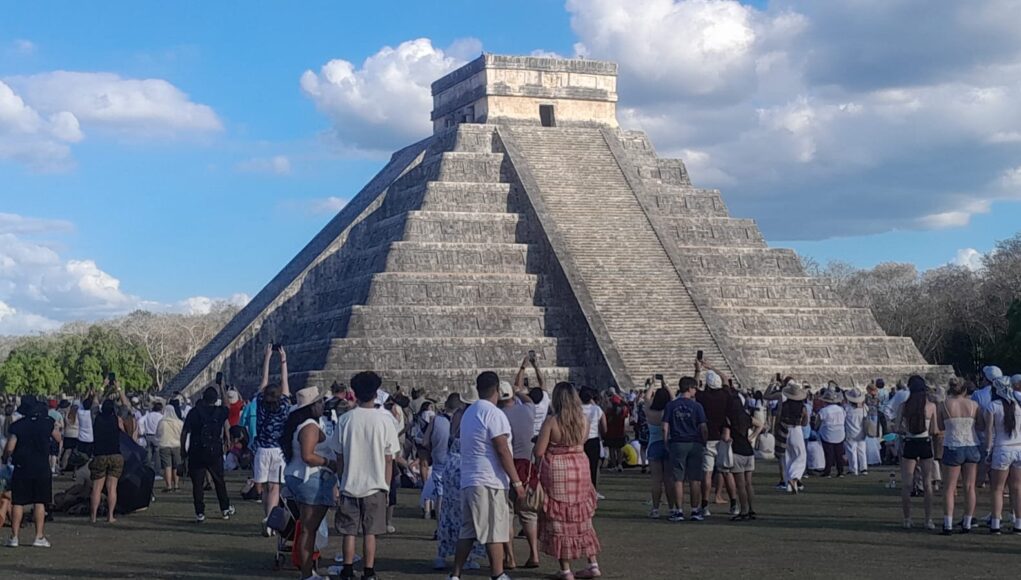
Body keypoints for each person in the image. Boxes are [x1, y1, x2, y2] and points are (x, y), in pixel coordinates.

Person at [448, 372, 523, 580]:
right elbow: (502, 449)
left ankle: (455, 574)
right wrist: (516, 481)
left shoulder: (470, 412)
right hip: (489, 479)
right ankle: (498, 574)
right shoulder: (494, 414)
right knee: (494, 530)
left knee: (468, 531)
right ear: (497, 390)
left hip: (470, 479)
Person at [333, 372, 400, 580]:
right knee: (370, 531)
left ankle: (347, 568)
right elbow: (390, 458)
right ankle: (369, 571)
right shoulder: (385, 420)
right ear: (375, 392)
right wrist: (387, 486)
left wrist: (341, 479)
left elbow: (339, 456)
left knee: (349, 531)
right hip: (376, 483)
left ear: (355, 392)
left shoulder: (345, 420)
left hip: (350, 483)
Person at [534, 383, 601, 579]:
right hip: (580, 467)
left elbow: (539, 451)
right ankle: (592, 562)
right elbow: (583, 442)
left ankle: (565, 569)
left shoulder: (552, 422)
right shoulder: (584, 420)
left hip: (557, 470)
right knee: (582, 517)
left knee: (559, 519)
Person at [282, 386, 335, 580]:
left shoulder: (300, 425)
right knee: (308, 529)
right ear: (312, 406)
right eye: (320, 402)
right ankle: (307, 573)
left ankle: (308, 571)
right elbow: (308, 456)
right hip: (310, 477)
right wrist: (330, 463)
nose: (322, 405)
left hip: (298, 476)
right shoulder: (310, 426)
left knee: (306, 527)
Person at [435, 390, 485, 572]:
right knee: (468, 513)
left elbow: (451, 436)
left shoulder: (457, 415)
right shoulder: (477, 416)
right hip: (467, 464)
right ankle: (469, 556)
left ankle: (441, 555)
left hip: (452, 462)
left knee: (448, 512)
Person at [2, 398, 60, 547]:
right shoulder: (47, 423)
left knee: (18, 502)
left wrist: (5, 459)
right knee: (40, 501)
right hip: (41, 467)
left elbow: (9, 448)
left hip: (22, 467)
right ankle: (39, 536)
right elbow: (58, 437)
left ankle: (14, 537)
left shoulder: (17, 426)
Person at [181, 386, 234, 523]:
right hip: (214, 451)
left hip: (196, 450)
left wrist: (183, 449)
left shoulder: (194, 412)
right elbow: (227, 405)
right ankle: (225, 508)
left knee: (197, 484)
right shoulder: (220, 412)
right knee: (219, 481)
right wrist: (222, 386)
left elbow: (185, 431)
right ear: (216, 399)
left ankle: (200, 512)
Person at [502, 377, 540, 568]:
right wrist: (517, 391)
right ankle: (534, 554)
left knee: (507, 514)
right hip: (528, 466)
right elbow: (530, 400)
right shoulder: (527, 410)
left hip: (507, 467)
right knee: (529, 514)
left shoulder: (499, 415)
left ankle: (510, 558)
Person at [252, 345, 291, 533]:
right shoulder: (284, 404)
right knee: (275, 488)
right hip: (277, 450)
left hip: (261, 449)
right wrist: (283, 360)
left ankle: (267, 517)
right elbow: (285, 382)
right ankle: (270, 522)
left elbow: (264, 380)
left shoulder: (260, 402)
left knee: (265, 488)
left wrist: (267, 357)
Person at [663, 376, 708, 521]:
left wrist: (666, 442)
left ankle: (679, 510)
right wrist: (704, 441)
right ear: (689, 388)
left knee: (678, 479)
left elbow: (665, 427)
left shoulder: (671, 405)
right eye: (694, 388)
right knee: (695, 479)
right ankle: (695, 510)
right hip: (694, 442)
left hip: (677, 442)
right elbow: (703, 427)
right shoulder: (697, 406)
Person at [695, 365, 738, 516]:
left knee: (706, 474)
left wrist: (698, 370)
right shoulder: (726, 395)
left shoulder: (703, 397)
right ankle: (733, 504)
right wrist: (710, 366)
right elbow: (726, 379)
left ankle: (705, 506)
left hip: (708, 438)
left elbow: (694, 386)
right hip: (723, 437)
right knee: (727, 472)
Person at [897, 375, 939, 530]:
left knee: (907, 483)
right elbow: (934, 430)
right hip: (925, 443)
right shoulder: (931, 406)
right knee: (927, 483)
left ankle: (907, 519)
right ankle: (928, 520)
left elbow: (897, 427)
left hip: (910, 442)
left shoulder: (904, 406)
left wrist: (907, 429)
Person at [940, 378, 980, 534]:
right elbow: (980, 425)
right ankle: (968, 522)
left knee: (949, 487)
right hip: (971, 444)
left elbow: (940, 426)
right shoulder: (973, 405)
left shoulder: (944, 404)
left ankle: (948, 523)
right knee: (970, 487)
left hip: (953, 444)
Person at [983, 376, 1021, 535]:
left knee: (997, 489)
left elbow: (990, 432)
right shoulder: (1018, 407)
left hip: (1001, 449)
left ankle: (995, 523)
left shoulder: (993, 406)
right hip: (1018, 448)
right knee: (1017, 488)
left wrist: (987, 451)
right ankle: (1019, 524)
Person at [88, 398, 123, 524]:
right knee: (112, 488)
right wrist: (119, 389)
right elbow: (126, 406)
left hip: (100, 454)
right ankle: (110, 515)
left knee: (96, 488)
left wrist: (102, 387)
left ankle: (93, 516)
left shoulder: (96, 419)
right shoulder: (117, 419)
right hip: (115, 454)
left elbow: (94, 405)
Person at [643, 384, 675, 519]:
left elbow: (646, 398)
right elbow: (674, 399)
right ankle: (672, 508)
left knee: (656, 480)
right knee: (669, 479)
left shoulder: (650, 411)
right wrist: (666, 386)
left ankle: (655, 509)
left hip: (654, 444)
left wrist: (652, 384)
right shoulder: (669, 411)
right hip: (668, 444)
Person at [728, 396, 761, 521]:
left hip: (737, 451)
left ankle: (743, 510)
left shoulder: (730, 420)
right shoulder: (746, 417)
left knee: (740, 485)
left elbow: (726, 436)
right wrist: (752, 436)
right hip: (748, 451)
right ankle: (752, 509)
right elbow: (760, 425)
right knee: (748, 484)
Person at [778, 383, 808, 493]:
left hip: (785, 429)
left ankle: (788, 483)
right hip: (796, 429)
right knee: (801, 455)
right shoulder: (802, 408)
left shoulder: (784, 405)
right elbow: (805, 422)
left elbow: (778, 417)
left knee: (787, 456)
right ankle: (794, 477)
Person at [579, 388, 606, 499]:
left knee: (580, 467)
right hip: (593, 439)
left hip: (579, 440)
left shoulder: (576, 409)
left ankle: (580, 490)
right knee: (593, 467)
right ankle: (593, 491)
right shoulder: (597, 409)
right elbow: (604, 427)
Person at [817, 389, 847, 478]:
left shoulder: (824, 410)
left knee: (829, 454)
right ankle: (840, 471)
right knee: (839, 453)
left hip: (827, 433)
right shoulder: (841, 409)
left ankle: (828, 471)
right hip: (840, 432)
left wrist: (816, 428)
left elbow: (818, 421)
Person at [156, 404, 184, 492]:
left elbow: (158, 433)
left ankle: (168, 485)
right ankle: (176, 485)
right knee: (176, 466)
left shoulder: (162, 422)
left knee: (167, 466)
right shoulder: (179, 422)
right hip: (176, 445)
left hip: (164, 445)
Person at [843, 388, 868, 476]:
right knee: (862, 451)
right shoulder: (864, 408)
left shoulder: (846, 408)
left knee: (851, 451)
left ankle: (854, 469)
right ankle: (863, 468)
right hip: (861, 432)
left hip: (850, 432)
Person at [140, 401, 164, 477]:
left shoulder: (148, 415)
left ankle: (147, 470)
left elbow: (141, 421)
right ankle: (157, 472)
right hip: (157, 436)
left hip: (148, 435)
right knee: (157, 455)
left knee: (149, 455)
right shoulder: (161, 416)